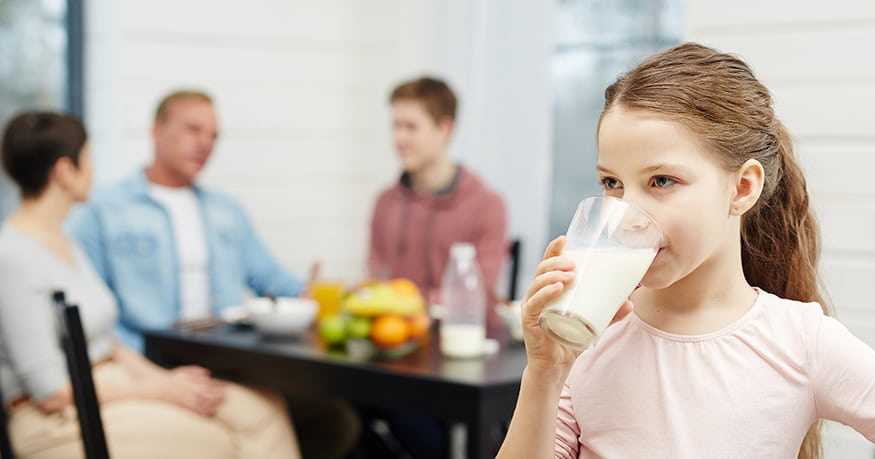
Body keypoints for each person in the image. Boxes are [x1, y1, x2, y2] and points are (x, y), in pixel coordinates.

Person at [497, 43, 875, 459]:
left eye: (661, 180)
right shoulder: (590, 337)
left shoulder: (798, 340)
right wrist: (544, 372)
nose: (630, 213)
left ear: (742, 189)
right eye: (612, 183)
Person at [66, 91, 358, 459]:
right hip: (151, 363)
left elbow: (275, 280)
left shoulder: (227, 211)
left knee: (337, 419)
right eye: (193, 129)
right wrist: (148, 376)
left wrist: (326, 294)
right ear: (157, 130)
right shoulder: (103, 210)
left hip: (230, 361)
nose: (204, 143)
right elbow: (91, 310)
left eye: (213, 135)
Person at [0, 111, 301, 459]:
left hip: (111, 385)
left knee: (265, 408)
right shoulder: (13, 256)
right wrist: (160, 389)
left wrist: (168, 381)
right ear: (65, 172)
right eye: (89, 161)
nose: (94, 171)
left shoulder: (64, 242)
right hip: (59, 418)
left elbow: (106, 342)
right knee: (219, 438)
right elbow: (53, 393)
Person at [369, 76, 508, 303]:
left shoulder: (487, 205)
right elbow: (376, 281)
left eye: (411, 127)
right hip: (395, 335)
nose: (398, 138)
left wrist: (408, 302)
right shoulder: (384, 203)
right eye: (395, 126)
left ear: (444, 128)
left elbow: (478, 293)